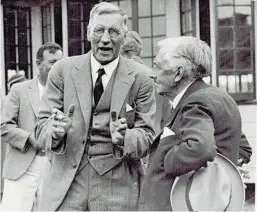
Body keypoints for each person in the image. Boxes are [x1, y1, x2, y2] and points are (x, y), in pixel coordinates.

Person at [34, 2, 155, 211]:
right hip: (67, 187)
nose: (106, 38)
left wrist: (125, 138)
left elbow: (148, 136)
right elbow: (41, 128)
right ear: (89, 33)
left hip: (119, 190)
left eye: (114, 31)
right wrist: (54, 132)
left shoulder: (141, 77)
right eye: (99, 30)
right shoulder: (62, 70)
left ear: (124, 37)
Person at [138, 36, 243, 211]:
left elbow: (200, 148)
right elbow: (243, 148)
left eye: (157, 66)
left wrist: (165, 160)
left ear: (178, 73)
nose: (151, 73)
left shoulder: (195, 102)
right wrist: (224, 165)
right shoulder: (218, 96)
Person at [0, 42, 63, 211]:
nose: (57, 67)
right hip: (22, 165)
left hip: (54, 167)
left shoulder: (67, 94)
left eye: (60, 62)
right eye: (52, 62)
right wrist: (29, 139)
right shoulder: (19, 90)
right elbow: (4, 126)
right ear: (38, 63)